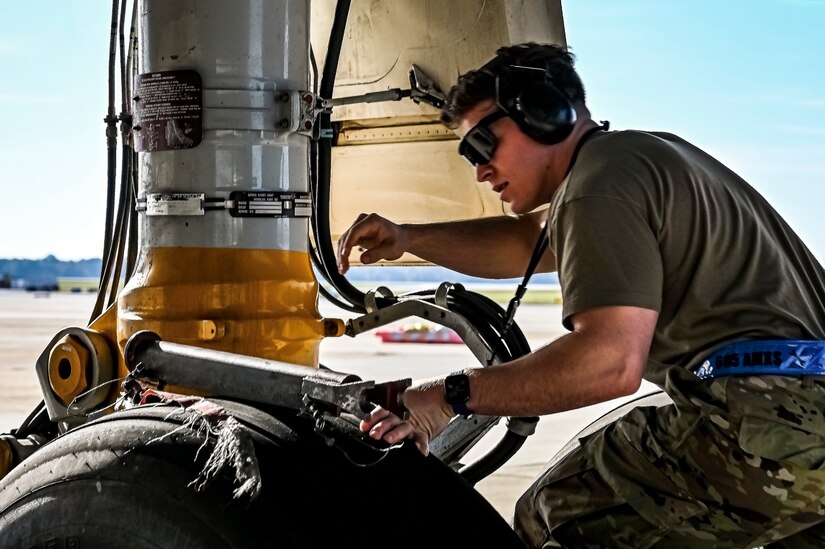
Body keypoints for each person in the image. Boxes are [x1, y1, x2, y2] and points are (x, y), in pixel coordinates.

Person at [336, 42, 825, 548]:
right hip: (800, 426)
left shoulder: (598, 184)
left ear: (545, 114)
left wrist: (446, 396)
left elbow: (609, 363)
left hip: (766, 421)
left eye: (483, 144)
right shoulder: (638, 159)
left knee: (553, 513)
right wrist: (410, 239)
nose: (479, 170)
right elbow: (528, 242)